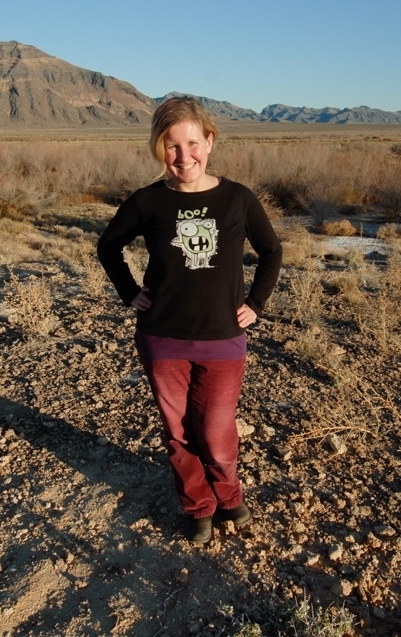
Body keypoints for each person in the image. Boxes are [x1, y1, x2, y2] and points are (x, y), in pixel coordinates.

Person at [96, 97, 282, 544]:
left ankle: (230, 497)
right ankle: (198, 507)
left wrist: (255, 303)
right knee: (178, 432)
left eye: (192, 143)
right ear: (160, 150)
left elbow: (272, 251)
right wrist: (129, 293)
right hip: (162, 338)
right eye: (171, 146)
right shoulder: (148, 202)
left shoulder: (237, 198)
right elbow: (108, 246)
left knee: (217, 432)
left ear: (210, 141)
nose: (184, 156)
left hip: (222, 339)